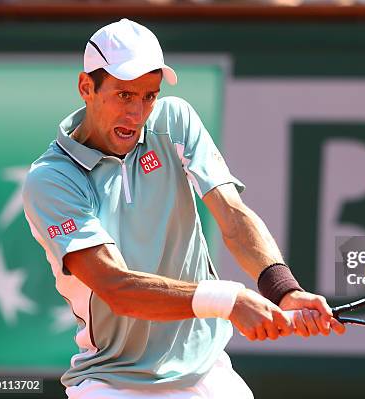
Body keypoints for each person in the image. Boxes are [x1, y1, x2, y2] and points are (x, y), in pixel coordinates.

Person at [22, 18, 344, 399]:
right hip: (113, 382)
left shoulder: (174, 120)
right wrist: (228, 300)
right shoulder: (51, 180)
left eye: (149, 96)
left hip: (209, 372)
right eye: (124, 95)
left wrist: (283, 289)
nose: (137, 113)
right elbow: (117, 287)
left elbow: (232, 215)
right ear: (86, 87)